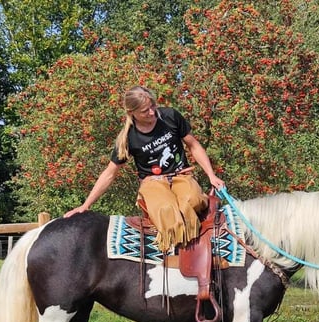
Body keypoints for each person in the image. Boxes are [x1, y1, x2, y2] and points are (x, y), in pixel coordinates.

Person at [65, 86, 225, 253]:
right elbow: (110, 173)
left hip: (181, 175)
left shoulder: (170, 116)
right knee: (167, 211)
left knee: (192, 200)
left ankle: (198, 252)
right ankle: (171, 260)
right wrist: (86, 205)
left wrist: (211, 175)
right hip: (152, 183)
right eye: (144, 110)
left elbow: (193, 145)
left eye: (153, 106)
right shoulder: (128, 138)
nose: (151, 112)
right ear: (131, 112)